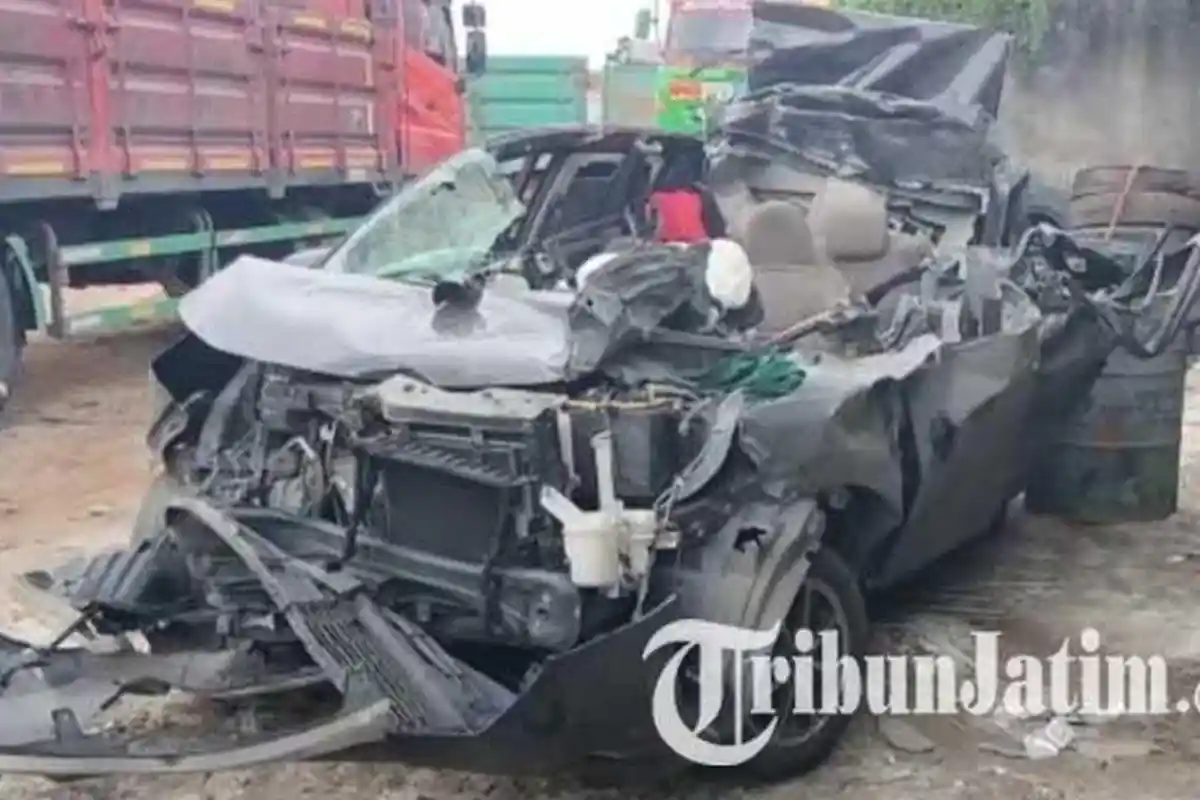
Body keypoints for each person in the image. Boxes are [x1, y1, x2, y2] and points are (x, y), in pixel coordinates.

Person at [646, 158, 727, 244]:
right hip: (698, 241)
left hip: (666, 241)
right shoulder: (699, 196)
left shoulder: (656, 197)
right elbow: (715, 228)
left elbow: (649, 225)